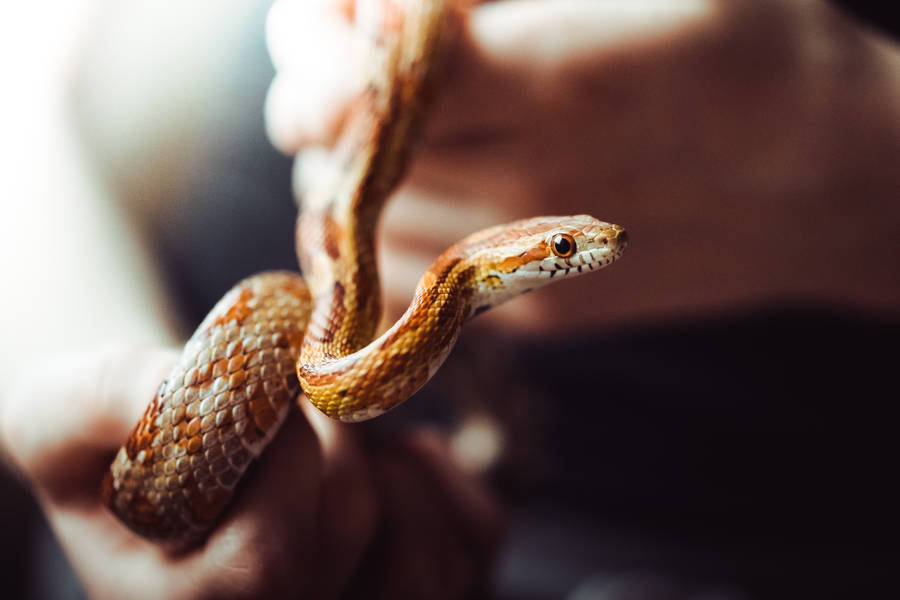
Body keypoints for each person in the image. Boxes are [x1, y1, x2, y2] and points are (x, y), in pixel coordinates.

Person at [2, 0, 898, 598]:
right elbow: (30, 79)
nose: (588, 247)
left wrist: (856, 142)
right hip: (118, 363)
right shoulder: (363, 327)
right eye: (561, 246)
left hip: (660, 539)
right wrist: (77, 363)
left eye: (566, 246)